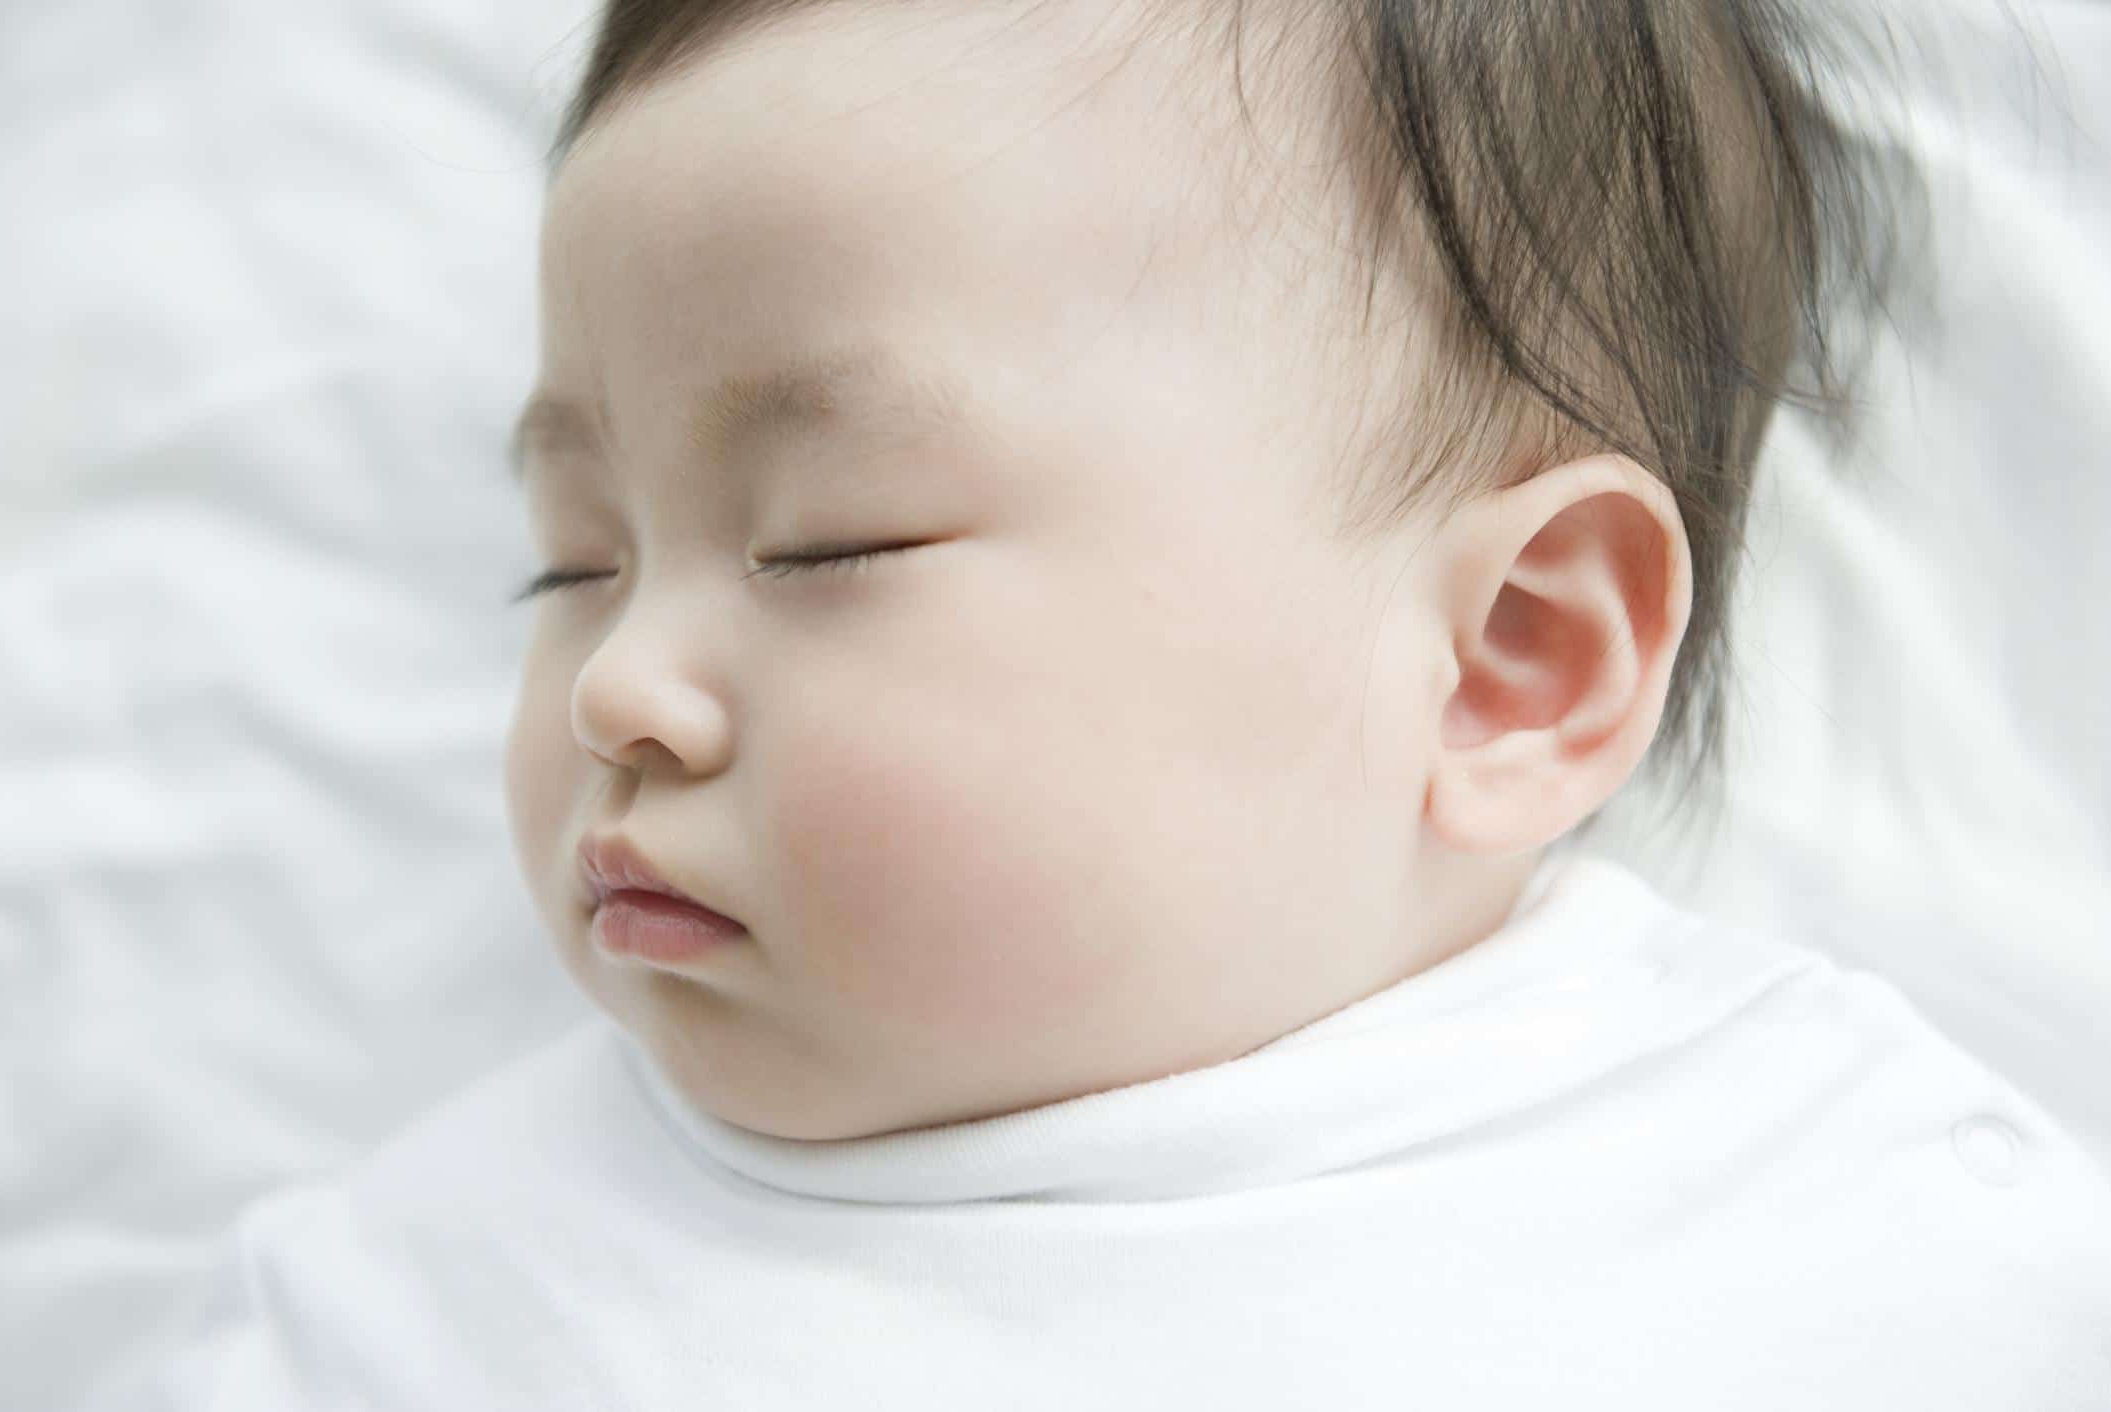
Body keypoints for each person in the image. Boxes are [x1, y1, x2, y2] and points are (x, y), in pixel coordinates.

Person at [114, 1, 2111, 1406]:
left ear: (1514, 656)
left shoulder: (1844, 1229)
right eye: (575, 558)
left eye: (830, 542)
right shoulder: (401, 1302)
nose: (620, 681)